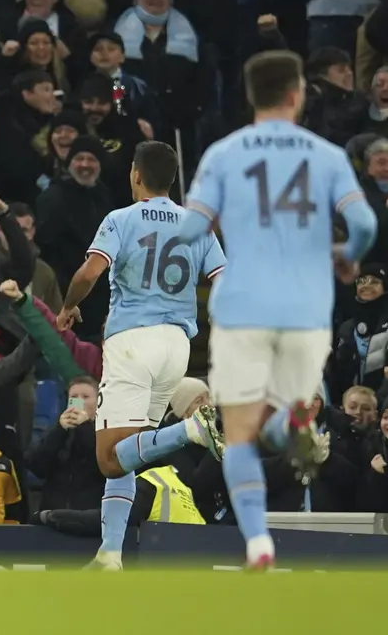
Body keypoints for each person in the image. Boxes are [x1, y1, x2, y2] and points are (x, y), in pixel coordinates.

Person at [179, 50, 379, 570]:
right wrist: (345, 257)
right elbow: (363, 226)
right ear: (296, 95)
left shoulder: (223, 154)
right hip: (303, 303)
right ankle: (292, 425)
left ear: (250, 96)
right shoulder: (326, 154)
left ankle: (257, 539)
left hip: (244, 302)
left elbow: (191, 231)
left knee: (240, 431)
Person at [55, 141, 225, 571]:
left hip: (133, 341)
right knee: (131, 451)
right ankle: (110, 552)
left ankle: (191, 430)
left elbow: (90, 271)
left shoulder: (120, 219)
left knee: (109, 458)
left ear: (135, 174)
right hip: (177, 345)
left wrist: (68, 305)